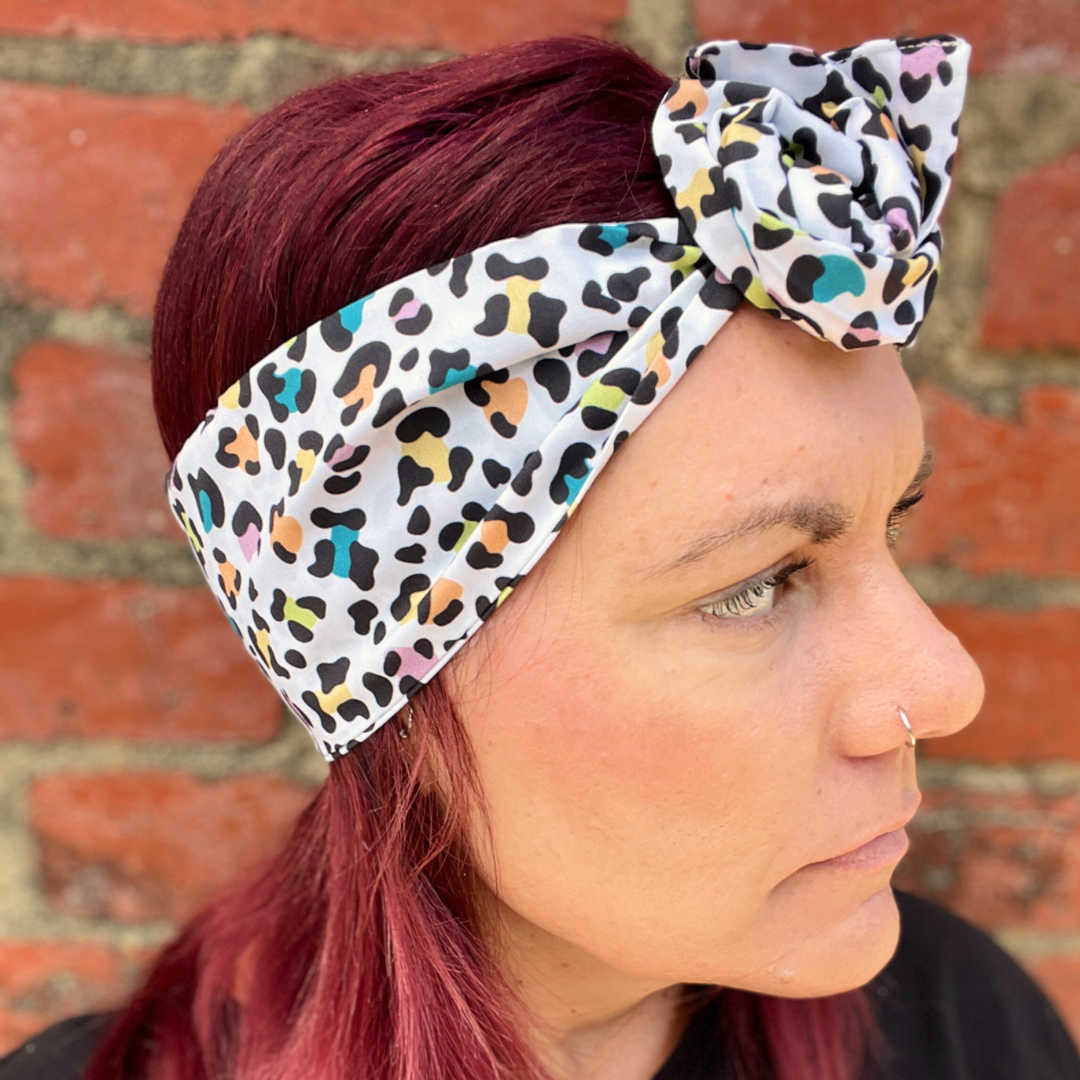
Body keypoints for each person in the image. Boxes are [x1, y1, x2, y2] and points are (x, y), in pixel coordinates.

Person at [3, 32, 1079, 1080]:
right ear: (393, 685)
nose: (946, 686)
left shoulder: (963, 1028)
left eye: (892, 519)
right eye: (756, 584)